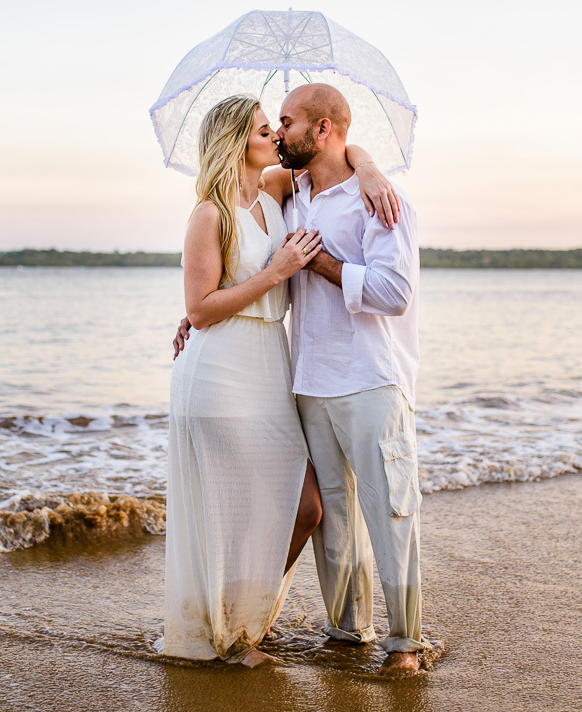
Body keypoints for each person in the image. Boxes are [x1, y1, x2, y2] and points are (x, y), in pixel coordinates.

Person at [162, 94, 396, 668]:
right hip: (220, 374)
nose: (277, 137)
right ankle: (232, 636)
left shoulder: (273, 192)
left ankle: (243, 622)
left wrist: (367, 169)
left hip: (270, 367)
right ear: (240, 141)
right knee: (243, 510)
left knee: (303, 507)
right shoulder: (208, 214)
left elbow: (337, 147)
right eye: (267, 130)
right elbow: (200, 307)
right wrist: (275, 272)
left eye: (277, 127)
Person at [278, 83, 431, 676]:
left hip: (371, 378)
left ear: (323, 130)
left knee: (391, 510)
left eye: (287, 122)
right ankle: (347, 630)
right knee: (335, 516)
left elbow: (394, 293)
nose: (279, 131)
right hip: (309, 378)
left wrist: (320, 262)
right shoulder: (292, 197)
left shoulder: (381, 201)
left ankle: (405, 645)